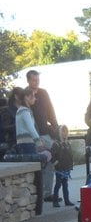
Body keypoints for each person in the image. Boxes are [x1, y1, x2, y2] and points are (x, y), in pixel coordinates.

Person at [26, 70, 59, 201]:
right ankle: (36, 193)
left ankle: (47, 192)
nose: (36, 82)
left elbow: (51, 111)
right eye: (34, 80)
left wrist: (56, 128)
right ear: (28, 80)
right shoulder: (25, 94)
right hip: (32, 135)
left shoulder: (43, 93)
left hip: (45, 133)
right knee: (35, 165)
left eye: (38, 80)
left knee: (50, 162)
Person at [14, 87, 44, 155]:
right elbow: (31, 128)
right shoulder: (24, 111)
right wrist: (39, 142)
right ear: (26, 97)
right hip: (27, 144)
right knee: (32, 165)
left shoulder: (21, 110)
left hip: (22, 144)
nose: (35, 99)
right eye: (32, 96)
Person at [50, 125, 75, 207]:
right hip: (59, 168)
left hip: (66, 168)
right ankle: (55, 201)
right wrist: (55, 163)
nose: (65, 134)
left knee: (65, 185)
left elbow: (70, 155)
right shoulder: (56, 144)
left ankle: (67, 201)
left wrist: (71, 164)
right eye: (63, 132)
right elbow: (52, 155)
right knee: (58, 185)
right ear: (59, 133)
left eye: (66, 132)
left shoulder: (67, 143)